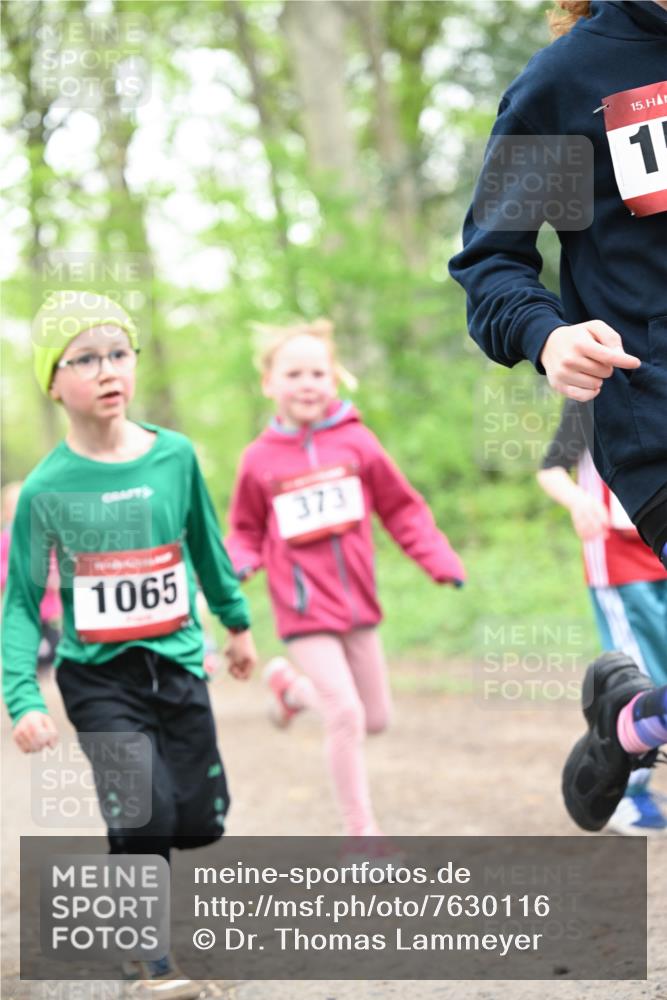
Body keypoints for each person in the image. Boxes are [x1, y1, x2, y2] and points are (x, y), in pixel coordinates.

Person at [448, 0, 667, 832]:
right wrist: (548, 337)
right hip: (654, 411)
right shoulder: (571, 82)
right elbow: (492, 262)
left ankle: (630, 722)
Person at [2, 290, 257, 997]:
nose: (107, 370)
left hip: (176, 662)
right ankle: (149, 958)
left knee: (196, 819)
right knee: (140, 805)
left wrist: (236, 627)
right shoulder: (47, 489)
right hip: (97, 676)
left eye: (118, 353)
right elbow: (22, 601)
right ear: (53, 381)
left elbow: (206, 546)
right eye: (84, 359)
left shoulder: (172, 456)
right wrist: (22, 696)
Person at [226, 318, 465, 843]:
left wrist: (438, 558)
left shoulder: (357, 443)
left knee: (376, 717)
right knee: (346, 713)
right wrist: (237, 566)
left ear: (334, 379)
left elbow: (402, 509)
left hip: (359, 603)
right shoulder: (259, 460)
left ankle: (290, 689)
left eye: (318, 372)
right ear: (269, 383)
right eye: (293, 373)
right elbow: (244, 530)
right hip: (304, 609)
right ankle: (361, 833)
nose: (307, 382)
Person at [537, 399, 667, 833]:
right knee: (639, 670)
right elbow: (551, 469)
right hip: (618, 561)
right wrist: (578, 502)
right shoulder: (592, 398)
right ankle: (628, 792)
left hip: (660, 550)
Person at [1, 480, 62, 672]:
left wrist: (54, 576)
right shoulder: (6, 539)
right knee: (26, 653)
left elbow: (54, 561)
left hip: (48, 610)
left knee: (51, 654)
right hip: (23, 608)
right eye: (14, 506)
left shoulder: (42, 536)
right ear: (6, 511)